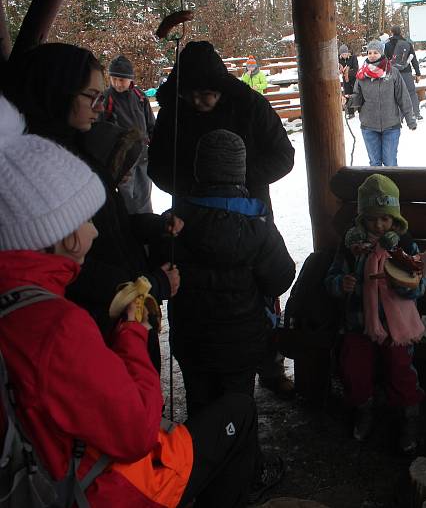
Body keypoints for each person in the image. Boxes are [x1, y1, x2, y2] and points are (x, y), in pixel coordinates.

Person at [0, 96, 264, 507]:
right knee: (239, 412)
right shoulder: (56, 324)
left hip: (57, 471)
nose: (94, 231)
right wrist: (133, 334)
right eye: (89, 219)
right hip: (111, 486)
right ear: (66, 234)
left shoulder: (16, 303)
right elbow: (136, 431)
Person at [2, 42, 180, 371]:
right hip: (98, 327)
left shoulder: (77, 145)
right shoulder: (32, 172)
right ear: (58, 91)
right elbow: (68, 268)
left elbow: (109, 226)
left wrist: (152, 226)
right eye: (91, 96)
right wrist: (145, 286)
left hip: (122, 314)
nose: (99, 108)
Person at [168, 129, 296, 504]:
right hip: (240, 343)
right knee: (238, 411)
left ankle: (197, 478)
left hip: (192, 341)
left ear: (199, 170)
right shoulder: (256, 225)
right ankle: (244, 478)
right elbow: (282, 275)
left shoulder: (177, 220)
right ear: (240, 172)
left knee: (200, 407)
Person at [324, 174, 426, 454]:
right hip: (357, 324)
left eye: (385, 218)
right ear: (362, 218)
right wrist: (342, 284)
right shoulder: (351, 247)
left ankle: (409, 417)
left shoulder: (404, 246)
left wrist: (406, 285)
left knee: (400, 370)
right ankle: (364, 410)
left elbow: (419, 283)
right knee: (354, 369)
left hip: (395, 326)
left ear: (395, 219)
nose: (378, 224)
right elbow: (332, 277)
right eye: (372, 218)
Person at [149, 41, 294, 209]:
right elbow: (157, 165)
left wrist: (235, 178)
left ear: (221, 89)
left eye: (205, 94)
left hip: (249, 211)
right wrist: (191, 186)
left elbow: (283, 156)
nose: (196, 101)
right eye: (189, 94)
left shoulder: (250, 106)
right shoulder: (173, 111)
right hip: (190, 213)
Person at [347, 39, 416, 167]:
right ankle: (377, 188)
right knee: (375, 163)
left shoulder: (392, 72)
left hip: (391, 125)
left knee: (390, 163)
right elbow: (358, 97)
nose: (372, 55)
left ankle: (392, 187)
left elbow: (403, 97)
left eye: (376, 52)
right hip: (369, 126)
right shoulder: (361, 75)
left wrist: (410, 119)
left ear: (382, 53)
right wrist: (348, 100)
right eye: (369, 52)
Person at [103, 54, 156, 214]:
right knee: (126, 196)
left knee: (144, 194)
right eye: (114, 79)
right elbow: (102, 129)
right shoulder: (107, 99)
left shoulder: (140, 97)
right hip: (122, 158)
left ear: (130, 79)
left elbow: (150, 123)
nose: (118, 83)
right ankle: (130, 226)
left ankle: (147, 224)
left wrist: (154, 143)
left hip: (143, 154)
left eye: (122, 80)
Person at [384, 25, 424, 120]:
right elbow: (413, 59)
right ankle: (416, 113)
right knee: (411, 93)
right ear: (400, 32)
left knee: (396, 95)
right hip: (406, 71)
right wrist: (418, 73)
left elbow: (385, 61)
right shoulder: (407, 43)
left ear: (392, 32)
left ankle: (399, 116)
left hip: (394, 73)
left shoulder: (388, 45)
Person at [339, 44, 359, 119]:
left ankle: (360, 109)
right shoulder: (339, 59)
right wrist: (341, 71)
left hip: (354, 79)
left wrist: (347, 72)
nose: (344, 55)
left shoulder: (353, 58)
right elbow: (338, 69)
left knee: (356, 93)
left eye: (345, 53)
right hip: (346, 80)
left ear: (348, 53)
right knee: (347, 94)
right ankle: (351, 112)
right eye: (342, 54)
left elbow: (356, 69)